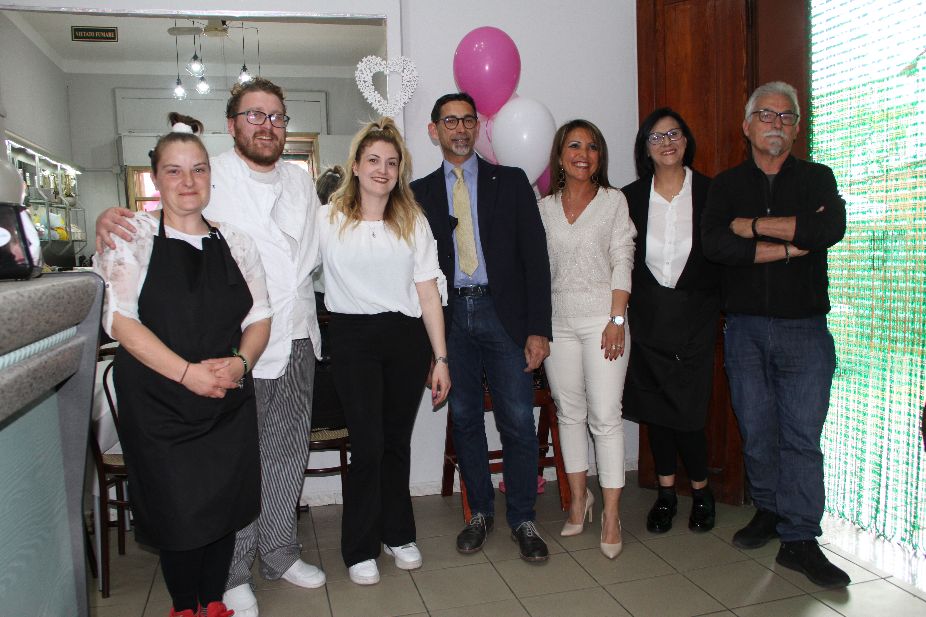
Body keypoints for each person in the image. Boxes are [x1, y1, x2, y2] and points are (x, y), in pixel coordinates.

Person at [95, 78, 325, 617]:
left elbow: (317, 250)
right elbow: (160, 218)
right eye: (254, 115)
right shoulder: (210, 171)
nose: (267, 125)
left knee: (285, 455)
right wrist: (109, 216)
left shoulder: (300, 181)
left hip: (290, 335)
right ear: (232, 125)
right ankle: (232, 573)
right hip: (224, 354)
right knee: (236, 470)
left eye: (277, 116)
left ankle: (280, 552)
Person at [701, 81, 849, 588]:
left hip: (806, 330)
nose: (776, 123)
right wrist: (788, 241)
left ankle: (801, 538)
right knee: (757, 429)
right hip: (743, 329)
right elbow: (716, 246)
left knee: (802, 438)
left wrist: (752, 226)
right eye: (766, 114)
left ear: (797, 128)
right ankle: (768, 509)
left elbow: (827, 231)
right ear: (747, 126)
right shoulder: (725, 186)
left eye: (786, 117)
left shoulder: (817, 178)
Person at [411, 92, 553, 562]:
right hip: (450, 320)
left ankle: (523, 517)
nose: (460, 129)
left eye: (467, 120)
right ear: (434, 130)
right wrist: (429, 349)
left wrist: (539, 329)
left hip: (503, 315)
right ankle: (480, 514)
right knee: (466, 419)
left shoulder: (510, 182)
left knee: (517, 420)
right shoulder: (418, 194)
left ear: (478, 127)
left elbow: (536, 259)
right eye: (450, 121)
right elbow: (413, 274)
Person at [317, 117, 450, 585]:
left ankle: (397, 533)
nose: (382, 169)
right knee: (368, 444)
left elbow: (428, 291)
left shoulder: (413, 221)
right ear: (355, 166)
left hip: (405, 339)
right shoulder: (327, 219)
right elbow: (294, 266)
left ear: (400, 172)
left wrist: (440, 358)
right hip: (352, 339)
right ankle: (359, 548)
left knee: (395, 441)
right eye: (373, 160)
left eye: (392, 163)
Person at [537, 119, 635, 559]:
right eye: (574, 145)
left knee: (606, 417)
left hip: (603, 321)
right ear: (560, 156)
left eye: (592, 147)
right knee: (569, 413)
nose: (583, 154)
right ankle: (579, 500)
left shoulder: (614, 202)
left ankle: (612, 515)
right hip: (557, 322)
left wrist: (617, 318)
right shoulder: (543, 208)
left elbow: (623, 259)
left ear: (600, 157)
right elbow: (537, 270)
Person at [621, 108, 721, 534]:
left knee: (689, 412)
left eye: (674, 134)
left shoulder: (712, 193)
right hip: (649, 318)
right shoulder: (628, 197)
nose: (667, 143)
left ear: (686, 141)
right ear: (645, 148)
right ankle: (665, 495)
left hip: (694, 317)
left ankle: (701, 491)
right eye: (657, 137)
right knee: (656, 411)